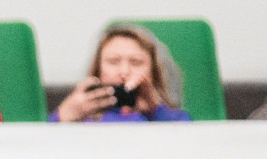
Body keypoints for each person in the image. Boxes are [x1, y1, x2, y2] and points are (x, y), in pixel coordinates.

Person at [51, 25, 191, 123]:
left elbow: (190, 142)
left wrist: (156, 111)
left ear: (153, 72)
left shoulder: (163, 116)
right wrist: (63, 116)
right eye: (113, 61)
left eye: (136, 62)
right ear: (98, 69)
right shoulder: (84, 119)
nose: (124, 72)